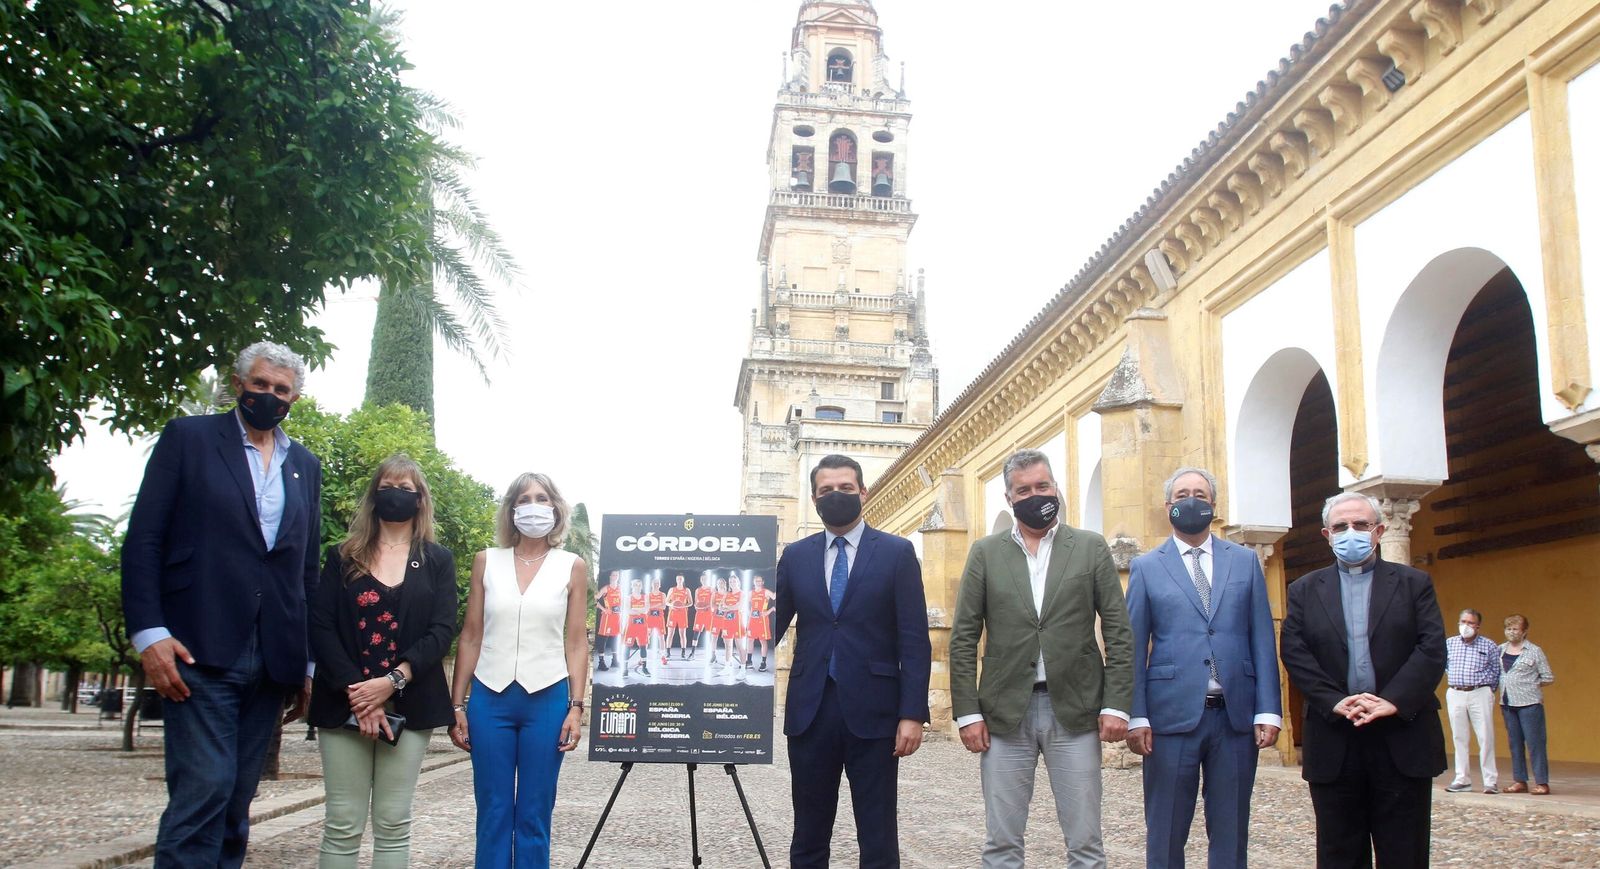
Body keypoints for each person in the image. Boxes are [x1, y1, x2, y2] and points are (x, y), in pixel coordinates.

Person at [121, 341, 322, 867]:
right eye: (261, 384)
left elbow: (304, 570)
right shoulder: (189, 440)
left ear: (294, 398)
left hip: (272, 654)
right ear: (238, 385)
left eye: (281, 390)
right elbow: (145, 539)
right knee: (204, 789)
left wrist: (305, 663)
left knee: (236, 799)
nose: (270, 396)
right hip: (198, 646)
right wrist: (149, 632)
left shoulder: (305, 464)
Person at [949, 448, 1133, 869]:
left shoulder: (1089, 547)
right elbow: (963, 638)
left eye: (1043, 486)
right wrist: (967, 713)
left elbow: (1119, 631)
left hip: (1076, 710)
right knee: (1001, 844)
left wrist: (1117, 703)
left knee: (1086, 844)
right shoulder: (985, 552)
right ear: (1009, 498)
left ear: (1056, 488)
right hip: (1003, 715)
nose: (1036, 494)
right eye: (1024, 489)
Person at [774, 454, 931, 869]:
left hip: (877, 713)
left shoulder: (897, 553)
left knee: (878, 834)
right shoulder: (795, 556)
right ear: (814, 498)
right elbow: (767, 628)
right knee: (808, 832)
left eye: (845, 488)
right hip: (811, 709)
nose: (836, 496)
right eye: (826, 491)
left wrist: (912, 714)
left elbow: (914, 639)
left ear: (863, 492)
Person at [1279, 491, 1446, 869]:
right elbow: (1295, 652)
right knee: (1339, 852)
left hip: (1401, 733)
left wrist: (1394, 699)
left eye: (1360, 525)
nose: (1350, 532)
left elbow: (1431, 647)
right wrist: (1334, 700)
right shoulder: (1304, 590)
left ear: (1380, 530)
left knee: (1405, 851)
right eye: (1341, 526)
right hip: (1335, 734)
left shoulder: (1413, 583)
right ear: (1327, 534)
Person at [1124, 467, 1281, 868]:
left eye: (1199, 494)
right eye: (1181, 495)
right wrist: (1136, 714)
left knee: (1231, 830)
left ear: (1213, 504)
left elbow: (1261, 637)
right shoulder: (1146, 567)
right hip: (1169, 717)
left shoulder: (1244, 562)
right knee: (1166, 828)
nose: (1190, 500)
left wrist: (1268, 708)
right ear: (1167, 506)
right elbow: (1133, 645)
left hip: (1234, 717)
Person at [307, 455, 458, 867]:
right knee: (342, 823)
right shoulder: (343, 556)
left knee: (393, 823)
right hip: (345, 702)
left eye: (406, 489)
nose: (397, 495)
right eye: (388, 486)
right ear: (374, 494)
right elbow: (321, 626)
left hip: (411, 701)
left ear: (420, 499)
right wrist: (361, 693)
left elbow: (442, 630)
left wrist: (391, 682)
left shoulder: (437, 559)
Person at [449, 473, 588, 868]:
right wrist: (457, 706)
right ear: (512, 510)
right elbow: (471, 635)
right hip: (490, 699)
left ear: (556, 509)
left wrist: (576, 706)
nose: (533, 505)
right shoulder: (486, 561)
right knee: (492, 811)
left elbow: (576, 641)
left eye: (542, 498)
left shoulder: (571, 566)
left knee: (533, 813)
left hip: (547, 700)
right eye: (524, 498)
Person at [1445, 607, 1500, 793]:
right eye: (1463, 622)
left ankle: (1490, 781)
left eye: (1470, 623)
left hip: (1479, 692)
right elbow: (1444, 665)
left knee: (1485, 736)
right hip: (1455, 692)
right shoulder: (1450, 643)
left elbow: (1495, 670)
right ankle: (1462, 779)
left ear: (1478, 626)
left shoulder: (1489, 645)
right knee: (1459, 736)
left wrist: (1488, 690)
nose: (1466, 626)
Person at [1498, 613, 1555, 795]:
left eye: (1515, 629)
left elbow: (1548, 676)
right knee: (1514, 743)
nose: (1512, 632)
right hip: (1507, 703)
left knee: (1535, 743)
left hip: (1530, 703)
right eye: (1508, 628)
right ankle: (1520, 780)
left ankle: (1542, 782)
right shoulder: (1499, 650)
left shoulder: (1534, 651)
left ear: (1524, 632)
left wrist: (1530, 685)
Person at [745, 574, 775, 672]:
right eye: (756, 581)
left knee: (763, 641)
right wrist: (749, 612)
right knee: (750, 640)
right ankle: (749, 661)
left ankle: (763, 663)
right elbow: (745, 604)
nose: (758, 582)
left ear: (763, 582)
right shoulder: (751, 593)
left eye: (760, 581)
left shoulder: (766, 592)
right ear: (753, 582)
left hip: (762, 620)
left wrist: (770, 610)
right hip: (752, 619)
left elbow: (775, 597)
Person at [621, 579, 651, 676]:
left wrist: (634, 609)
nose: (637, 587)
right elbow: (627, 610)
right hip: (631, 626)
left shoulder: (645, 597)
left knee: (643, 646)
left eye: (639, 585)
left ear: (641, 586)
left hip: (642, 625)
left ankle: (644, 668)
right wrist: (640, 610)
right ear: (632, 586)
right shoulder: (628, 597)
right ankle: (625, 670)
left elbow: (646, 610)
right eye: (635, 585)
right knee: (627, 646)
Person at [594, 571, 622, 671]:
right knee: (603, 638)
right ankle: (601, 662)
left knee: (615, 638)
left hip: (617, 617)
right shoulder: (606, 588)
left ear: (618, 577)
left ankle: (614, 660)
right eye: (613, 575)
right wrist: (604, 609)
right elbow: (595, 599)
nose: (615, 576)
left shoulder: (620, 588)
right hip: (607, 618)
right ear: (610, 576)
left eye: (617, 575)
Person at [667, 574, 692, 659]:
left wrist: (683, 606)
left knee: (682, 634)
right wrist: (672, 604)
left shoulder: (687, 590)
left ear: (683, 580)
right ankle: (668, 652)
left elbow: (691, 602)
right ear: (676, 580)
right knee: (670, 634)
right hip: (672, 613)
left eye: (681, 579)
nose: (679, 580)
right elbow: (666, 602)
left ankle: (683, 652)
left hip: (682, 614)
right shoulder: (672, 589)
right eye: (678, 579)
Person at [693, 573, 715, 659]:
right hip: (699, 614)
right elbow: (695, 603)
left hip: (709, 614)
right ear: (700, 580)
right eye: (702, 579)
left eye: (705, 579)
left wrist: (707, 607)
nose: (704, 580)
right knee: (696, 633)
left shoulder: (711, 589)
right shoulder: (697, 590)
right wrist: (697, 606)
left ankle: (711, 653)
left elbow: (713, 603)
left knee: (710, 634)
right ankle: (693, 652)